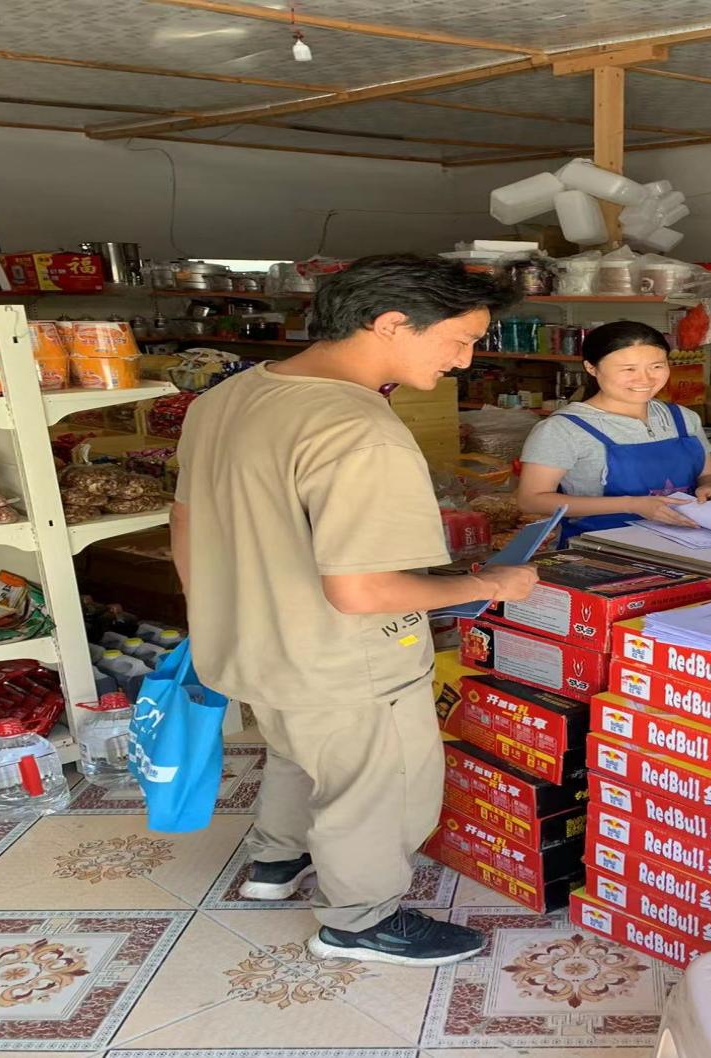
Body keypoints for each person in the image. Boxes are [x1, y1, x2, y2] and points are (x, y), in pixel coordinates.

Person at [171, 255, 538, 967]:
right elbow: (363, 592)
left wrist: (220, 610)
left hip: (247, 641)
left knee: (296, 751)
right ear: (392, 323)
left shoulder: (228, 395)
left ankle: (277, 862)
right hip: (342, 658)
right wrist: (488, 584)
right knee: (377, 785)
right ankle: (360, 922)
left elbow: (184, 524)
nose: (465, 361)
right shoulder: (359, 428)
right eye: (459, 340)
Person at [516, 320, 711, 542]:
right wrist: (632, 505)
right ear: (591, 368)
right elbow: (531, 500)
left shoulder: (683, 418)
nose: (645, 379)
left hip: (687, 543)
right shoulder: (563, 429)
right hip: (600, 550)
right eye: (628, 369)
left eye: (656, 366)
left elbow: (708, 474)